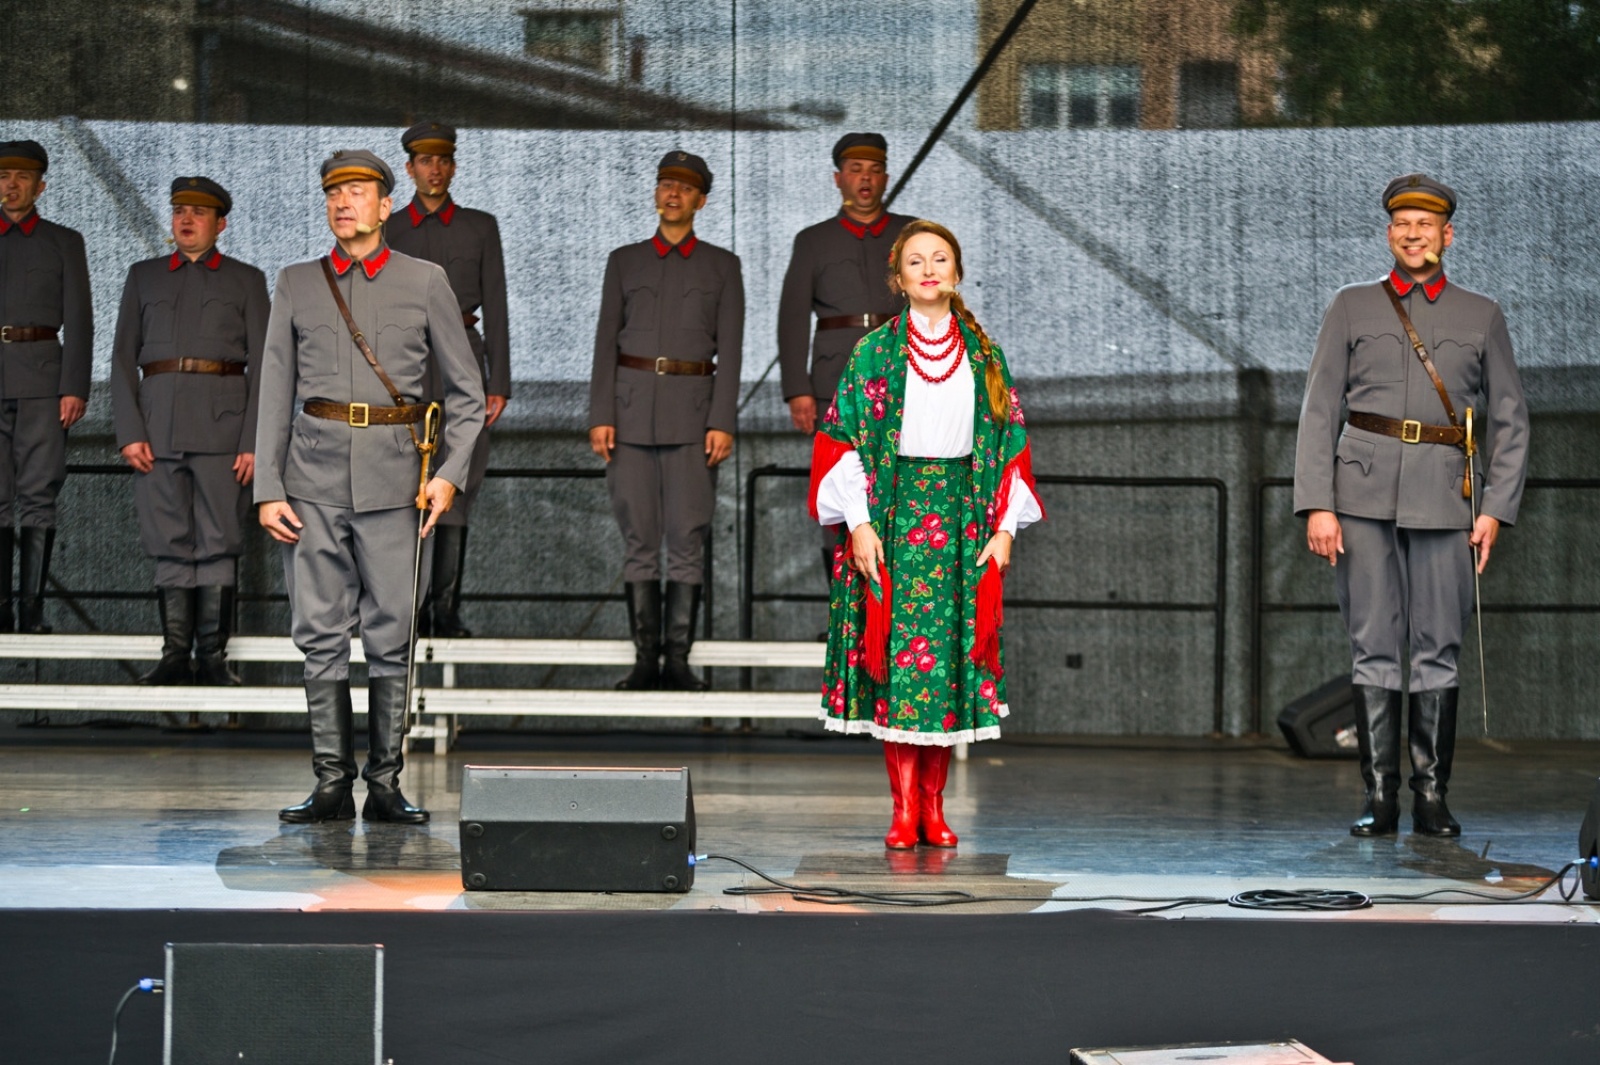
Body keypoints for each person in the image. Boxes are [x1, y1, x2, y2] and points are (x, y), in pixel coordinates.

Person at [1294, 173, 1528, 838]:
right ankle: (1380, 796)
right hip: (1361, 496)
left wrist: (1495, 508)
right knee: (1373, 649)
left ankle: (1431, 796)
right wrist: (1317, 503)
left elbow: (1511, 417)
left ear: (1447, 236)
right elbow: (1319, 409)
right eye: (1404, 223)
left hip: (1446, 497)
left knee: (1437, 651)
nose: (1415, 233)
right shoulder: (1351, 306)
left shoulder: (1480, 313)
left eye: (1427, 225)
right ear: (1390, 233)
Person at [257, 150, 484, 824]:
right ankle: (331, 782)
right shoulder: (298, 282)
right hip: (314, 477)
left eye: (359, 192)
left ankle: (385, 783)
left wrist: (449, 474)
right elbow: (274, 391)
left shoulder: (425, 280)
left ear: (388, 206)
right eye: (335, 193)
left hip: (396, 480)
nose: (344, 203)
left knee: (391, 635)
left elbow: (468, 396)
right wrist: (269, 484)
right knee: (319, 633)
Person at [809, 220, 1043, 849]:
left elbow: (1009, 448)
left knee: (944, 669)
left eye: (941, 258)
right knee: (899, 669)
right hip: (894, 520)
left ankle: (933, 810)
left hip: (963, 527)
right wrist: (857, 523)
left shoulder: (984, 355)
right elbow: (841, 443)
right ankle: (902, 808)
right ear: (900, 278)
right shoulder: (874, 353)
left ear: (957, 272)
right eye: (917, 261)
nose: (930, 269)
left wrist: (1005, 531)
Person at [588, 150, 743, 692]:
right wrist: (601, 414)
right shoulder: (625, 261)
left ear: (700, 200)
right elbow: (606, 339)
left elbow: (732, 349)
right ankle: (644, 660)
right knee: (639, 536)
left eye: (683, 187)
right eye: (664, 184)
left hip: (694, 415)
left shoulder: (722, 266)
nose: (672, 194)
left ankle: (677, 660)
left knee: (686, 537)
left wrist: (722, 419)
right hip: (629, 416)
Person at [111, 177, 267, 685]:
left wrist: (253, 443)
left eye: (199, 212)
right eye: (180, 209)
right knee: (168, 540)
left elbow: (267, 365)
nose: (186, 219)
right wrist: (130, 430)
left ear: (220, 224)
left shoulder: (246, 280)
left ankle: (213, 658)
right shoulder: (144, 276)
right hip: (156, 428)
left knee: (218, 541)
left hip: (224, 430)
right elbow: (121, 359)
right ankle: (175, 653)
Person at [385, 121, 510, 639]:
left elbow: (497, 306)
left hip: (462, 356)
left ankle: (444, 612)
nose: (434, 169)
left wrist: (497, 379)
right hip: (405, 360)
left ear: (453, 167)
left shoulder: (480, 226)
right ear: (410, 168)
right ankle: (405, 611)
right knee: (400, 483)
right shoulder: (390, 228)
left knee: (457, 479)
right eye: (423, 161)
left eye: (442, 160)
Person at [778, 134, 913, 589]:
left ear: (886, 178)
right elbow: (793, 318)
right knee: (838, 487)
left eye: (873, 170)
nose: (865, 179)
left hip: (905, 377)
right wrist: (798, 388)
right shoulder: (813, 240)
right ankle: (844, 602)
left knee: (904, 486)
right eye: (855, 169)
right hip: (835, 383)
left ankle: (899, 602)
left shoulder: (911, 234)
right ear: (838, 178)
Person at [0, 140, 91, 633]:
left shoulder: (63, 241)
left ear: (40, 186)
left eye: (21, 177)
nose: (11, 185)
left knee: (37, 493)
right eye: (3, 176)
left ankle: (31, 611)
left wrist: (74, 385)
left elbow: (79, 319)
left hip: (41, 378)